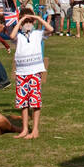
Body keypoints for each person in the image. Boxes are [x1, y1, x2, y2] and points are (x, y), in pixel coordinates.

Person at [13, 7, 54, 138]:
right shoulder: (18, 36)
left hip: (34, 72)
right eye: (25, 21)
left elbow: (51, 29)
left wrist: (37, 18)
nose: (28, 23)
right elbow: (11, 35)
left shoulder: (37, 34)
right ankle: (25, 129)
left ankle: (35, 130)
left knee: (35, 102)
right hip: (21, 72)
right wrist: (21, 21)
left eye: (30, 21)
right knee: (23, 103)